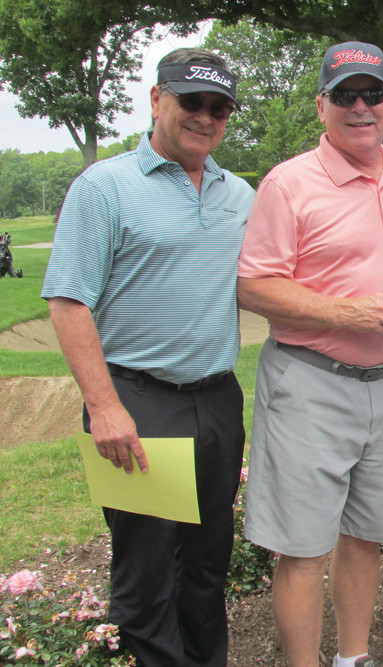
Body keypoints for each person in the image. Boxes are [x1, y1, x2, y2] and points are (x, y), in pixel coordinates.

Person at [41, 48, 254, 666]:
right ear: (157, 100)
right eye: (192, 102)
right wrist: (103, 406)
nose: (205, 117)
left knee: (207, 565)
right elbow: (68, 302)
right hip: (137, 400)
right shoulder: (105, 186)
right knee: (147, 574)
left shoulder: (237, 193)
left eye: (218, 108)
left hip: (215, 400)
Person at [236, 41, 383, 667]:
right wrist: (350, 313)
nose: (361, 106)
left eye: (373, 93)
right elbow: (252, 285)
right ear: (322, 106)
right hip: (312, 385)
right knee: (303, 549)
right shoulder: (288, 184)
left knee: (367, 537)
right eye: (346, 95)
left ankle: (353, 658)